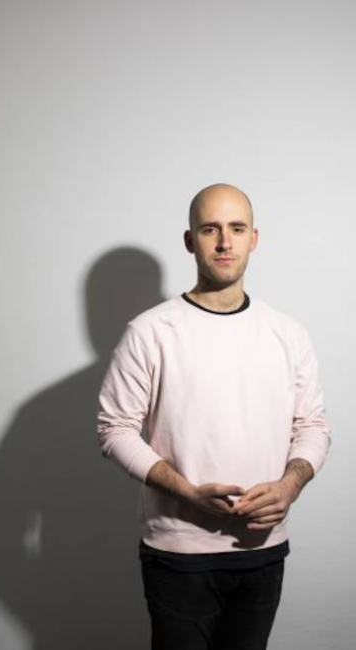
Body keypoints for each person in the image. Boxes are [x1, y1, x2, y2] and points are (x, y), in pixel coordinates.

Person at [96, 183, 330, 650]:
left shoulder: (286, 332)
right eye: (210, 229)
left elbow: (312, 426)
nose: (225, 242)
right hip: (179, 554)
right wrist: (186, 492)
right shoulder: (151, 332)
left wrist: (289, 486)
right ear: (190, 241)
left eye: (236, 229)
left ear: (254, 239)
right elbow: (114, 428)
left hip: (263, 550)